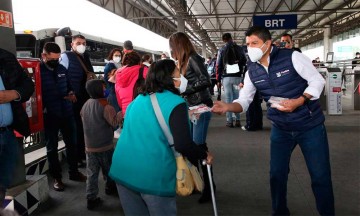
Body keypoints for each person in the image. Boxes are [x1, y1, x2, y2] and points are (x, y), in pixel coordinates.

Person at [212, 26, 334, 215]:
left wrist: (300, 101)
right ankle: (279, 212)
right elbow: (244, 100)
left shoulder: (292, 57)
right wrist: (228, 107)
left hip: (309, 126)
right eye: (247, 44)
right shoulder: (252, 70)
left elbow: (317, 81)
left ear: (267, 44)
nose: (249, 48)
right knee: (277, 175)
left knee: (320, 176)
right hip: (281, 128)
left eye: (254, 43)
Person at [109, 60, 213, 215]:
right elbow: (183, 144)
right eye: (178, 73)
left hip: (122, 169)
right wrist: (204, 155)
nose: (181, 77)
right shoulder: (176, 103)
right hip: (153, 175)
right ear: (168, 77)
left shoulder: (136, 100)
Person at [169, 32, 214, 203]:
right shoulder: (184, 61)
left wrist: (184, 90)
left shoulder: (193, 58)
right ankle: (201, 183)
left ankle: (209, 188)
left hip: (201, 106)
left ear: (178, 45)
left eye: (172, 46)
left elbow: (206, 80)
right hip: (192, 107)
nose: (171, 49)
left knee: (199, 146)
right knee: (194, 147)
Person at [41, 42, 86, 191]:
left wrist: (71, 93)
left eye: (58, 58)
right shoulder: (38, 71)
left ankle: (74, 172)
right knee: (52, 148)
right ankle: (57, 178)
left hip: (67, 112)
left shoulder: (61, 69)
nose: (56, 61)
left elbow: (69, 86)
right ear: (44, 56)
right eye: (53, 59)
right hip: (50, 115)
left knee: (71, 143)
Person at [81, 79, 122, 210]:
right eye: (103, 88)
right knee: (109, 169)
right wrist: (120, 114)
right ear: (99, 90)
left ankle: (91, 199)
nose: (105, 90)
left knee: (92, 173)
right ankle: (110, 188)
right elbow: (114, 123)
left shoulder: (86, 104)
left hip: (90, 146)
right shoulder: (106, 106)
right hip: (105, 146)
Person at [0, 48, 34, 205]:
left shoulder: (5, 57)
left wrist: (14, 93)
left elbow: (28, 83)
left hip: (8, 133)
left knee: (4, 182)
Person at [60, 34, 94, 167]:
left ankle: (82, 154)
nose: (82, 46)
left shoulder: (86, 57)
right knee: (75, 129)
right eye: (79, 43)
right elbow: (62, 76)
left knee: (83, 127)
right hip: (73, 99)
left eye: (84, 43)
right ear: (72, 45)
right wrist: (69, 92)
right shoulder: (66, 56)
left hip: (85, 98)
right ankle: (76, 158)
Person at [216, 33, 247, 128]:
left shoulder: (221, 50)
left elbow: (218, 65)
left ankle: (229, 121)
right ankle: (237, 120)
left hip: (226, 78)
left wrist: (218, 79)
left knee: (228, 99)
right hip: (237, 77)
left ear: (223, 40)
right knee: (237, 99)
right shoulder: (239, 48)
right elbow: (244, 62)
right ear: (231, 38)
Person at [115, 51, 148, 118]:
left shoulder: (118, 76)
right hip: (143, 112)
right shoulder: (144, 71)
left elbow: (119, 102)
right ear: (139, 61)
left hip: (126, 115)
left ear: (123, 63)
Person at [104, 48, 122, 113]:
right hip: (113, 91)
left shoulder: (120, 64)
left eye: (119, 56)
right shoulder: (109, 65)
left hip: (118, 91)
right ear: (112, 56)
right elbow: (106, 79)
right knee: (117, 111)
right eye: (116, 55)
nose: (118, 57)